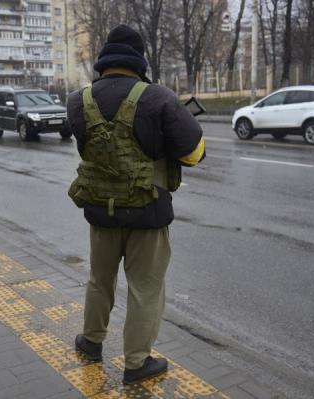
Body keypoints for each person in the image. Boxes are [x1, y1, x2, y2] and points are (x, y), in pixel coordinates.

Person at [67, 25, 205, 384]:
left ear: (105, 60)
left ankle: (91, 342)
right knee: (145, 288)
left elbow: (89, 149)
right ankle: (136, 362)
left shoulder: (78, 100)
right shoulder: (158, 97)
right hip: (148, 213)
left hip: (101, 213)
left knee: (100, 280)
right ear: (138, 60)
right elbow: (193, 154)